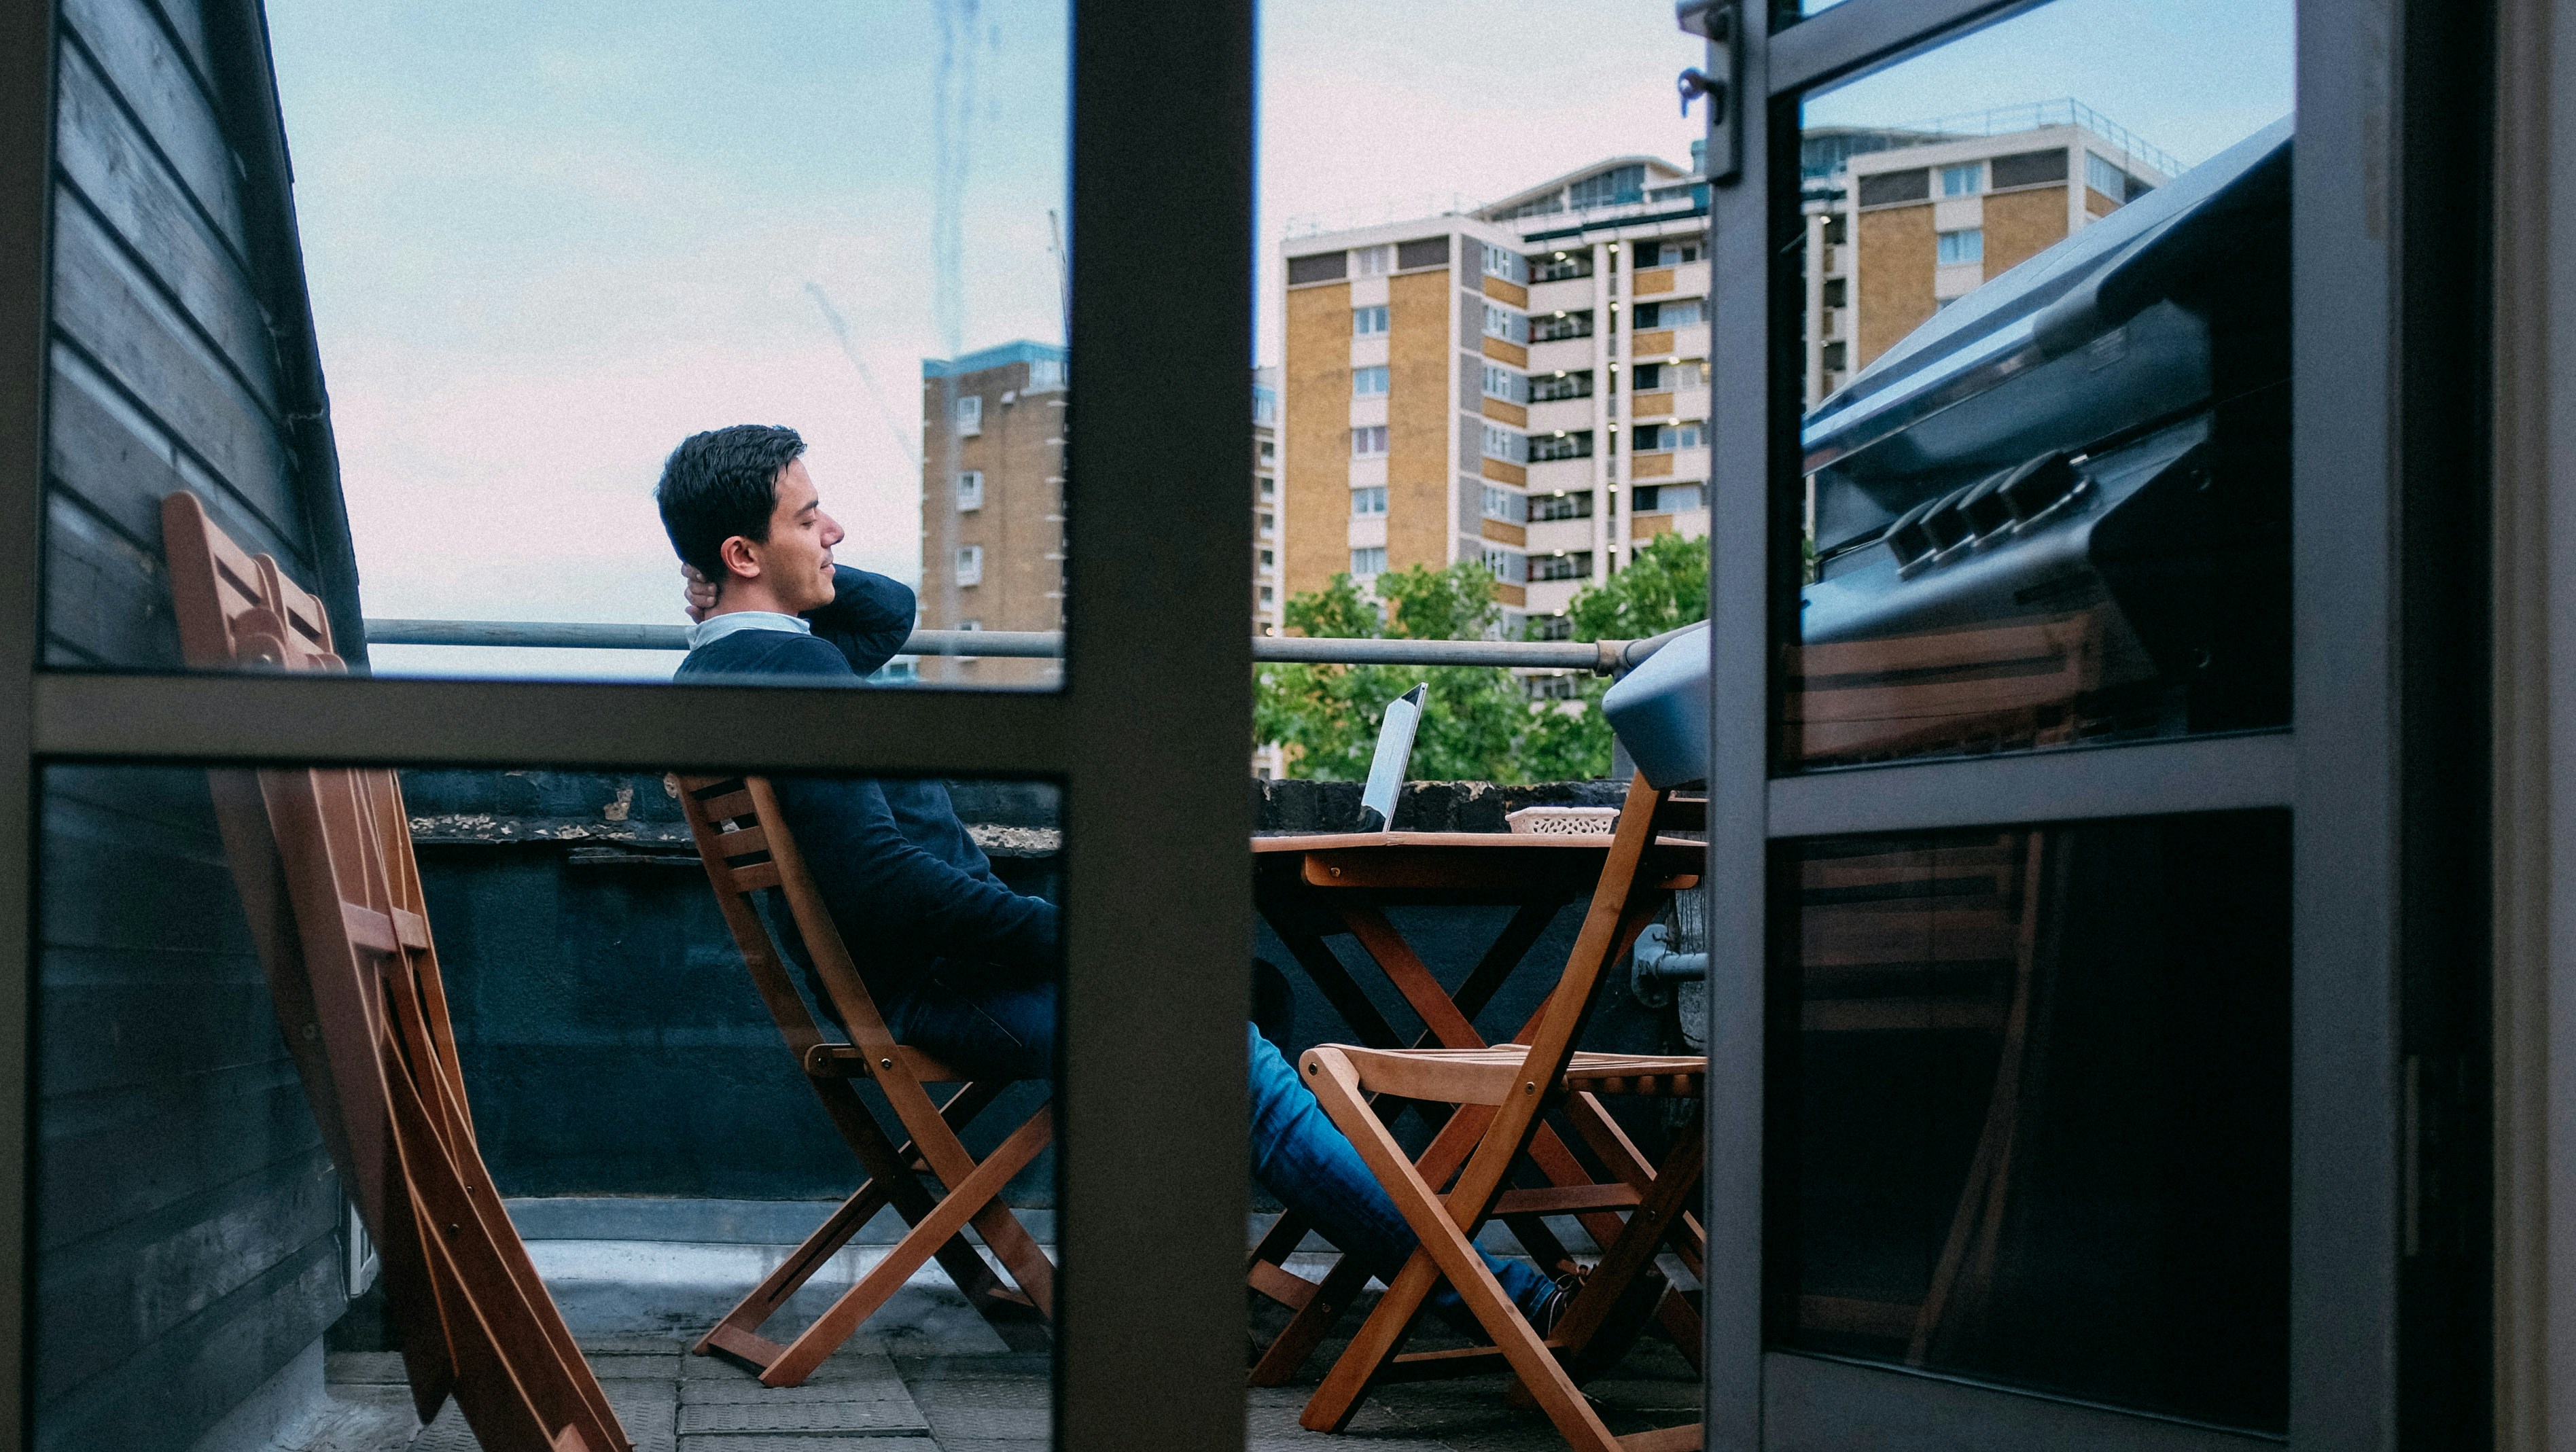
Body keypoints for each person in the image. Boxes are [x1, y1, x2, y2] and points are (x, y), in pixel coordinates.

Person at [655, 423, 1653, 1347]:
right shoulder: (799, 677)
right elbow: (886, 882)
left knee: (1243, 999)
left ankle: (1196, 1280)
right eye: (806, 517)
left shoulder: (741, 670)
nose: (835, 529)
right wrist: (1083, 935)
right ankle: (1501, 1301)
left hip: (907, 980)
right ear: (744, 554)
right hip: (939, 989)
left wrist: (750, 568)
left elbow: (889, 611)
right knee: (1220, 1044)